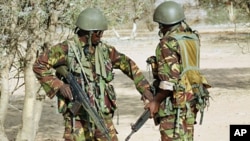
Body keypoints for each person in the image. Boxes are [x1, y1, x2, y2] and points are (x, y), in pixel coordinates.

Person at [33, 7, 153, 141]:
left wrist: (145, 89)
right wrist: (59, 85)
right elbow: (39, 65)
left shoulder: (105, 50)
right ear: (88, 33)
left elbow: (129, 65)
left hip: (101, 113)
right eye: (98, 33)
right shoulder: (66, 49)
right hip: (77, 117)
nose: (101, 36)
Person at [145, 1, 211, 141]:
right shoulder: (192, 38)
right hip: (192, 98)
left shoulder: (167, 42)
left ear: (163, 24)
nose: (160, 29)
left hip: (175, 103)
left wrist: (155, 101)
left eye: (160, 25)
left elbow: (169, 82)